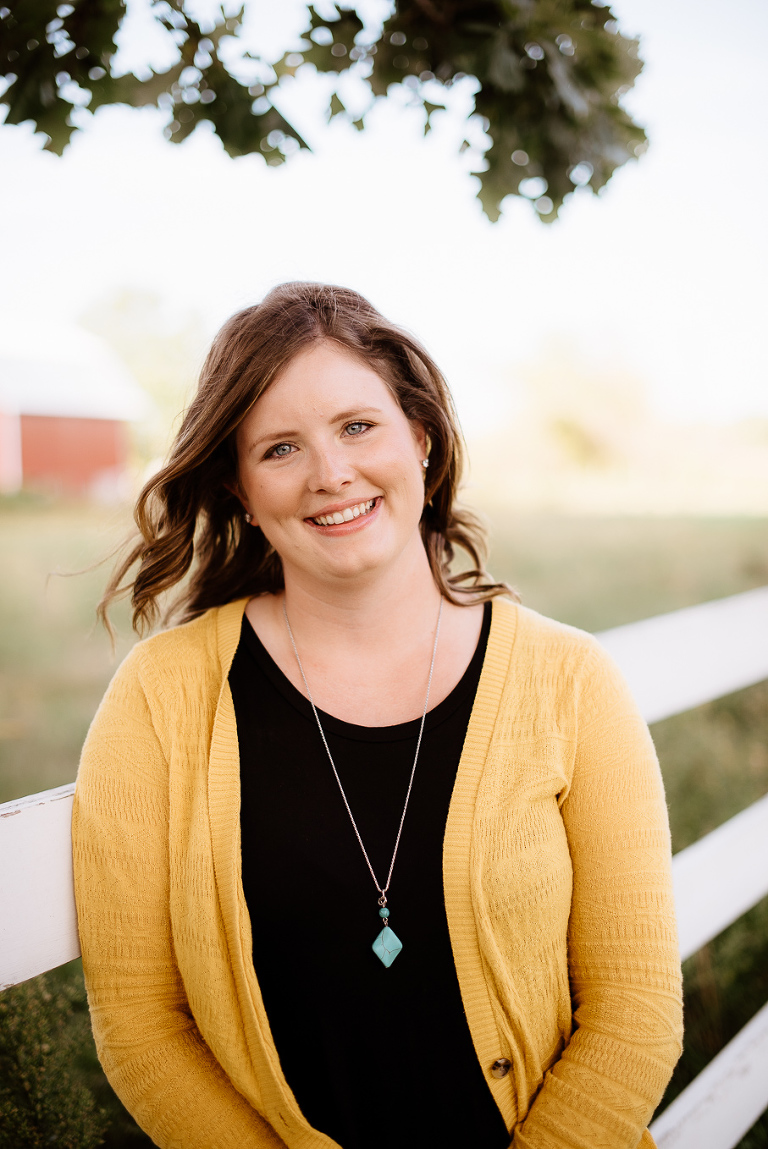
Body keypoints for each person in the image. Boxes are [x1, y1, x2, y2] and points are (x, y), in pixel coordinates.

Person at [72, 282, 683, 1149]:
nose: (331, 473)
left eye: (358, 426)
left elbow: (638, 1005)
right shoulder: (159, 698)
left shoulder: (572, 681)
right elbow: (141, 1027)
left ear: (421, 440)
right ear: (242, 488)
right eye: (280, 447)